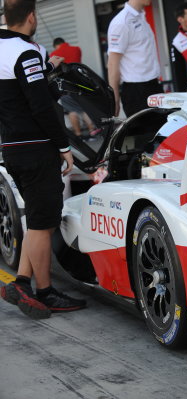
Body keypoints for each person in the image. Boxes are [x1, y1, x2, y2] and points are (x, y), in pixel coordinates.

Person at [0, 0, 86, 319]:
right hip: (37, 148)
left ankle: (20, 282)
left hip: (11, 148)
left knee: (37, 218)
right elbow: (41, 105)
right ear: (32, 16)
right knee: (43, 222)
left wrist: (46, 68)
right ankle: (45, 291)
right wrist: (63, 145)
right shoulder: (27, 51)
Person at [107, 0, 162, 117]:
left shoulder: (141, 16)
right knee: (144, 134)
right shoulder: (121, 22)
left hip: (153, 85)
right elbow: (112, 64)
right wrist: (114, 98)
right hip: (136, 91)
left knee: (162, 133)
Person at [50, 37, 99, 138]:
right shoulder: (76, 49)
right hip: (79, 84)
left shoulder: (53, 55)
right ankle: (92, 131)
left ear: (55, 46)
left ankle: (78, 134)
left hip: (65, 86)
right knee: (84, 108)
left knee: (72, 111)